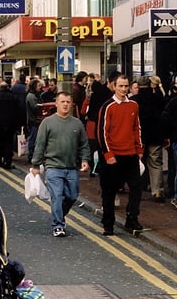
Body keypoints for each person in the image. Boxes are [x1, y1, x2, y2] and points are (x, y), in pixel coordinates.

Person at [31, 91, 90, 237]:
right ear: (56, 103)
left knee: (72, 196)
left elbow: (84, 144)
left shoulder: (77, 123)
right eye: (62, 102)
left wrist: (84, 159)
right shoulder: (47, 122)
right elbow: (40, 145)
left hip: (71, 167)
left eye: (68, 102)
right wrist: (36, 165)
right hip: (53, 167)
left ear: (71, 105)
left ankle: (59, 215)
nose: (65, 104)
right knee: (57, 196)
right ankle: (58, 225)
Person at [97, 73, 144, 236]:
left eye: (126, 86)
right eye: (120, 86)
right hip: (113, 156)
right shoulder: (107, 106)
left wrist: (139, 150)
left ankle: (132, 219)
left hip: (131, 155)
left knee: (136, 189)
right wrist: (108, 154)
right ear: (114, 87)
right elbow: (102, 132)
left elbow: (136, 128)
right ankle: (108, 224)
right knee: (110, 191)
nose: (123, 89)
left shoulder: (133, 105)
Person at [131, 76, 167, 202]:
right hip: (155, 136)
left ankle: (137, 189)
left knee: (137, 164)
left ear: (139, 86)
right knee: (155, 163)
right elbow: (163, 117)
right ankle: (157, 191)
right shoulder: (158, 99)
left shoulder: (133, 100)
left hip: (139, 137)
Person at [0, 81, 21, 169]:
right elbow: (19, 111)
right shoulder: (14, 98)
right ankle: (7, 160)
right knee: (9, 142)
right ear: (7, 87)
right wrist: (19, 123)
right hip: (10, 124)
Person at [25, 78, 43, 164]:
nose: (40, 87)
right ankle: (31, 156)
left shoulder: (36, 95)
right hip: (33, 121)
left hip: (36, 121)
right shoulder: (31, 96)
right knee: (33, 139)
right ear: (34, 86)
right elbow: (35, 108)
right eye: (39, 85)